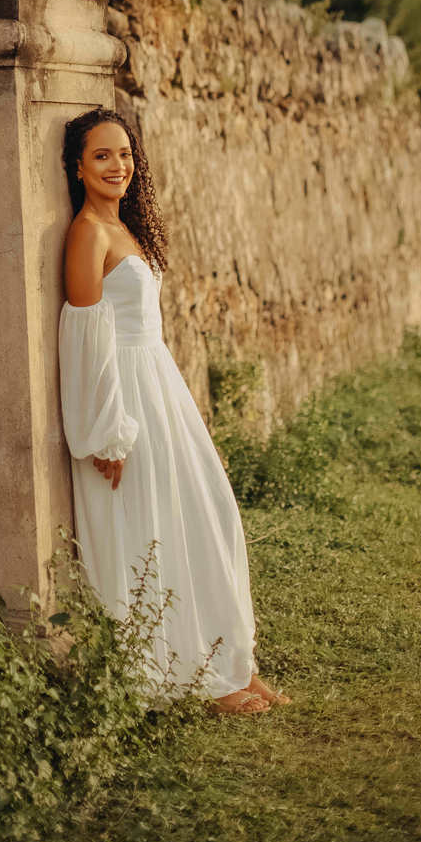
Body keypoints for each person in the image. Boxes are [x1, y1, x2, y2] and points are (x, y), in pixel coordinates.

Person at [58, 106, 288, 716]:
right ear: (78, 167)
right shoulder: (88, 232)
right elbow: (85, 338)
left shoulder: (128, 227)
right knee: (151, 530)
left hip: (160, 384)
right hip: (125, 399)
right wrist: (105, 434)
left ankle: (233, 662)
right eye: (102, 155)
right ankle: (189, 680)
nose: (117, 165)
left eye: (125, 154)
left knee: (208, 516)